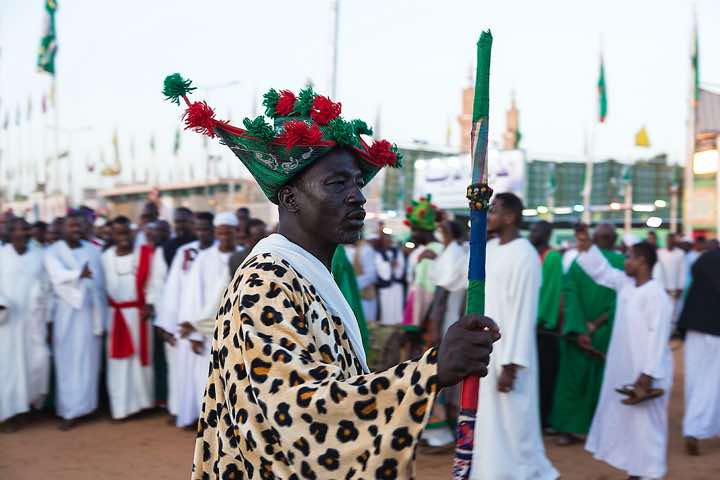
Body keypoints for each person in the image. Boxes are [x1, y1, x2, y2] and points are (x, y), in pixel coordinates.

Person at [159, 79, 499, 478]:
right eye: (337, 183)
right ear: (289, 199)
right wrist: (431, 371)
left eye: (357, 182)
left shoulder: (307, 273)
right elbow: (300, 411)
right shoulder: (265, 282)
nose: (358, 196)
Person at [470, 192, 558, 480]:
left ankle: (530, 473)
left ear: (510, 217)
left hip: (509, 352)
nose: (489, 215)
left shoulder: (525, 254)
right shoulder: (491, 248)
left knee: (514, 424)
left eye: (493, 211)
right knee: (489, 423)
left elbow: (523, 311)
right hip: (487, 349)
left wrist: (512, 363)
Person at [576, 232, 673, 480]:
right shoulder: (626, 285)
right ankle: (637, 469)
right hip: (627, 367)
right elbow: (602, 272)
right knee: (631, 422)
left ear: (641, 261)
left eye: (628, 257)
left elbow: (658, 338)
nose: (624, 261)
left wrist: (648, 374)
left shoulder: (657, 295)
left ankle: (652, 472)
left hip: (648, 372)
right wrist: (587, 249)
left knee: (649, 425)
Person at [550, 223, 625, 446]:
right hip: (606, 332)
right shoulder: (622, 263)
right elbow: (621, 301)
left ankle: (570, 430)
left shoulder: (578, 263)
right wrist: (597, 325)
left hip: (578, 332)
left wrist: (581, 326)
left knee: (573, 381)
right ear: (615, 239)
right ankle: (602, 431)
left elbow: (569, 295)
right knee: (603, 382)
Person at [44, 210, 106, 430]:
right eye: (71, 226)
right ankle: (69, 411)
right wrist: (79, 274)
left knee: (89, 361)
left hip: (90, 313)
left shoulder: (93, 250)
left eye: (79, 226)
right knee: (68, 362)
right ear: (63, 228)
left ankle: (88, 407)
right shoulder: (52, 252)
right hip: (66, 314)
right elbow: (56, 277)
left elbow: (100, 283)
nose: (75, 229)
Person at [164, 211, 215, 428]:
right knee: (186, 372)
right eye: (199, 228)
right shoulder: (184, 252)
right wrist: (168, 323)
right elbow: (173, 289)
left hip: (211, 323)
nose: (202, 232)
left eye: (206, 228)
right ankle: (188, 413)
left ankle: (211, 417)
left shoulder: (223, 254)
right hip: (186, 321)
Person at [101, 216, 155, 420]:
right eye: (119, 233)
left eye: (127, 232)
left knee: (139, 362)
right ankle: (121, 407)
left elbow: (156, 280)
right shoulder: (105, 257)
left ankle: (142, 404)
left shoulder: (146, 254)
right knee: (119, 362)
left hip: (140, 314)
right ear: (112, 234)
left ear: (133, 233)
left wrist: (150, 302)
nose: (123, 237)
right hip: (115, 317)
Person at [0, 218, 51, 432]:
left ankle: (24, 408)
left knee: (34, 363)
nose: (22, 233)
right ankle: (6, 414)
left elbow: (47, 287)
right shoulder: (1, 256)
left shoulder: (39, 256)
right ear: (10, 233)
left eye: (25, 229)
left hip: (32, 321)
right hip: (7, 322)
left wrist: (46, 316)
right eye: (18, 229)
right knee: (8, 368)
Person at [678, 247, 720, 456]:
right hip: (716, 331)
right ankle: (694, 429)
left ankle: (703, 427)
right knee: (712, 382)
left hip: (694, 326)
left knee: (694, 380)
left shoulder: (704, 258)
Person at [529, 220, 563, 432]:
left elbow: (551, 293)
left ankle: (544, 420)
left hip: (544, 327)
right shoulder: (531, 255)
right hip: (531, 324)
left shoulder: (552, 257)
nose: (531, 233)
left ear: (546, 233)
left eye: (535, 230)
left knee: (546, 374)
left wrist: (539, 319)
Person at [654, 232, 686, 329]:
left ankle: (672, 331)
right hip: (662, 288)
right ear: (666, 241)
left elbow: (683, 271)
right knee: (661, 310)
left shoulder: (680, 253)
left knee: (674, 311)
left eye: (672, 240)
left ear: (675, 241)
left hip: (675, 288)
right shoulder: (659, 252)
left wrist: (680, 287)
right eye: (668, 240)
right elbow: (657, 271)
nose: (670, 242)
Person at [374, 228, 405, 325]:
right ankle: (387, 322)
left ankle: (397, 321)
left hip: (396, 282)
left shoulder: (397, 251)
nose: (388, 242)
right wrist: (389, 265)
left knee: (396, 303)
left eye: (389, 240)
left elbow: (401, 264)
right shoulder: (378, 253)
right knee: (387, 304)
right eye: (385, 240)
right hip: (386, 284)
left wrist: (396, 266)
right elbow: (379, 267)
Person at [344, 237, 378, 322]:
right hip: (348, 295)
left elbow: (371, 275)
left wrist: (351, 285)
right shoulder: (343, 249)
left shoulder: (366, 250)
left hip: (364, 296)